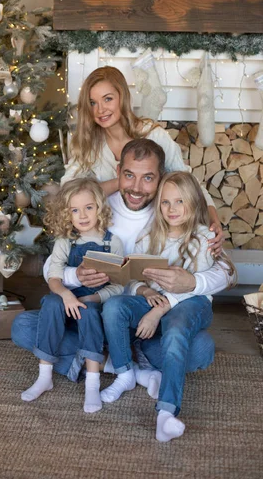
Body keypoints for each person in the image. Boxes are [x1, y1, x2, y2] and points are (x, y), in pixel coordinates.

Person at [12, 139, 230, 398]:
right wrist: (75, 274)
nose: (137, 187)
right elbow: (54, 263)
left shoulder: (173, 211)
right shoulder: (97, 207)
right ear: (118, 173)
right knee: (23, 326)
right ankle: (129, 368)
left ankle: (102, 361)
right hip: (92, 312)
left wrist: (192, 283)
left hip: (145, 319)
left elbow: (225, 270)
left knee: (202, 349)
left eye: (148, 178)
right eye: (129, 176)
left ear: (161, 178)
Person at [100, 171, 237, 442]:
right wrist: (145, 290)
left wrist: (159, 310)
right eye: (165, 202)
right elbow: (132, 281)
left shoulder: (203, 238)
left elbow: (200, 285)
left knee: (176, 331)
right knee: (114, 306)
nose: (171, 209)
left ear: (194, 204)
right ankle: (125, 371)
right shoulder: (149, 237)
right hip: (156, 302)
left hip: (190, 304)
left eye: (179, 202)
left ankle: (166, 413)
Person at [61, 65, 223, 255]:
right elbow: (69, 191)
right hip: (108, 236)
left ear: (122, 97)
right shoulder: (87, 144)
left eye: (108, 99)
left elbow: (187, 182)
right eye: (93, 102)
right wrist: (121, 182)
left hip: (155, 233)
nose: (100, 110)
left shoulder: (154, 135)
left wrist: (214, 219)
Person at [21, 177, 124, 413]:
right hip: (65, 301)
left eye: (89, 207)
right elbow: (54, 276)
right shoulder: (66, 241)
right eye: (75, 210)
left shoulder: (112, 243)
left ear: (100, 207)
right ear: (67, 214)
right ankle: (44, 375)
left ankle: (92, 383)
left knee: (87, 313)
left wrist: (91, 299)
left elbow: (118, 286)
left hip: (92, 303)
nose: (83, 215)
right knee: (51, 301)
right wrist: (67, 295)